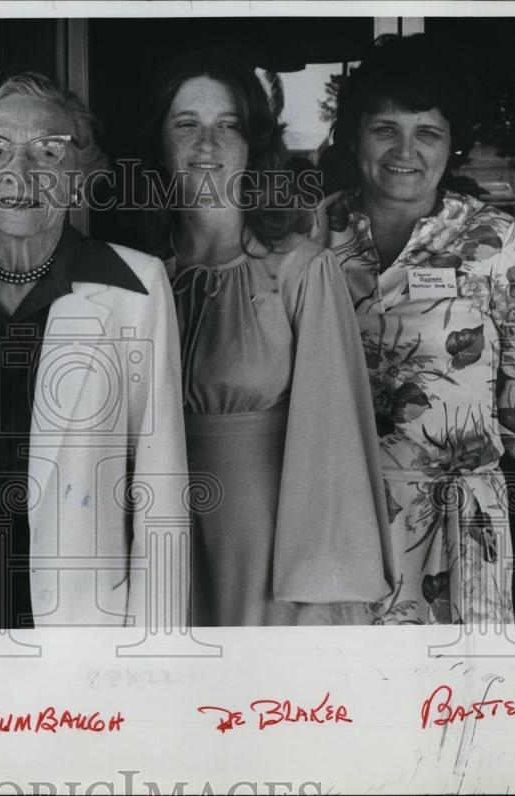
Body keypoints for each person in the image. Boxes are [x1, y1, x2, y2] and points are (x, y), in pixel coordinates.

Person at [0, 69, 189, 631]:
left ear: (79, 175)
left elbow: (163, 484)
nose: (19, 172)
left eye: (48, 152)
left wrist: (154, 642)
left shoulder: (134, 287)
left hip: (81, 613)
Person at [142, 50, 393, 626]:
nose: (208, 145)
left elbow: (334, 440)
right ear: (159, 142)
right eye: (187, 125)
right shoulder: (134, 273)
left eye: (228, 126)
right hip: (156, 543)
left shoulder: (300, 270)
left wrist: (320, 596)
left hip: (270, 551)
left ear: (252, 144)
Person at [322, 34, 515, 624]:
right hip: (330, 512)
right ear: (353, 136)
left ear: (451, 146)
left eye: (428, 131)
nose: (406, 149)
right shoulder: (313, 234)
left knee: (450, 694)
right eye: (385, 128)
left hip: (456, 522)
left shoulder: (499, 243)